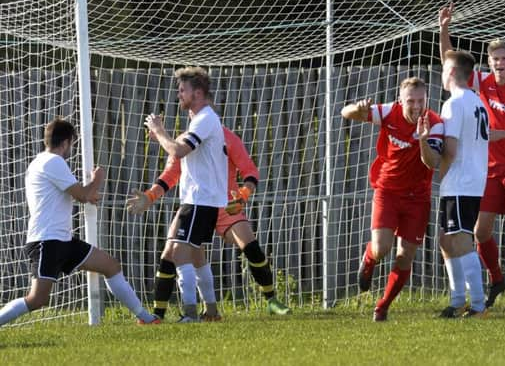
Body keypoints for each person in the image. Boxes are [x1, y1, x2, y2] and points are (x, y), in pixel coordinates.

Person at [0, 118, 159, 327]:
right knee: (37, 299)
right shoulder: (53, 162)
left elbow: (72, 194)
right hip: (46, 241)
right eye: (71, 144)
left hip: (62, 240)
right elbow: (82, 195)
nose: (71, 149)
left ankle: (145, 317)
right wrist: (98, 178)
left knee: (110, 265)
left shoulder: (39, 162)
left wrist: (87, 193)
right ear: (65, 142)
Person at [439, 3, 505, 311]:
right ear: (489, 62)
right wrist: (444, 29)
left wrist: (501, 135)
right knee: (479, 230)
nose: (500, 63)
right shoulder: (481, 82)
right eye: (495, 58)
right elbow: (451, 63)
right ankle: (496, 279)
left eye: (504, 58)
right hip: (488, 169)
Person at [127, 126, 291, 317]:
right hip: (197, 205)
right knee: (170, 253)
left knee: (250, 245)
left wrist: (243, 195)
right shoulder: (183, 142)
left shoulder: (227, 138)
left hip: (225, 206)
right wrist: (150, 196)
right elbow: (170, 175)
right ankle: (159, 315)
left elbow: (250, 171)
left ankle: (271, 300)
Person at [341, 77, 444, 322]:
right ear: (401, 100)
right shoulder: (388, 112)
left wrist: (422, 139)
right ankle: (369, 258)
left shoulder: (435, 123)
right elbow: (345, 112)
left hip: (417, 198)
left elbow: (433, 163)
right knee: (382, 247)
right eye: (411, 101)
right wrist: (359, 109)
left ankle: (383, 306)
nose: (416, 106)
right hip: (387, 191)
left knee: (405, 256)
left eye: (421, 100)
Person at [142, 66, 228, 322]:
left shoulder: (205, 119)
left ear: (198, 93)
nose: (178, 95)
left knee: (179, 254)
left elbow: (178, 151)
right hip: (197, 199)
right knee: (192, 255)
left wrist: (159, 131)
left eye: (183, 91)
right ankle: (211, 311)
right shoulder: (201, 119)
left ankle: (189, 314)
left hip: (201, 199)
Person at [419, 50, 489, 318]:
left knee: (460, 242)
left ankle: (479, 305)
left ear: (450, 72)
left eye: (442, 68)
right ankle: (457, 300)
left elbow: (450, 150)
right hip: (471, 181)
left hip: (460, 182)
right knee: (446, 241)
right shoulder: (477, 101)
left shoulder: (454, 103)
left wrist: (440, 174)